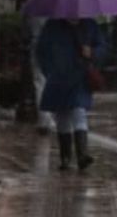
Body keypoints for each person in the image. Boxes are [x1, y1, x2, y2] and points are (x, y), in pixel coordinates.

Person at [36, 17, 107, 171]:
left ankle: (82, 155)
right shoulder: (53, 25)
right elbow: (41, 51)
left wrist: (92, 52)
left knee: (79, 111)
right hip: (59, 78)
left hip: (80, 76)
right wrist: (50, 72)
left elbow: (102, 47)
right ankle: (65, 158)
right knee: (62, 116)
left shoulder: (90, 24)